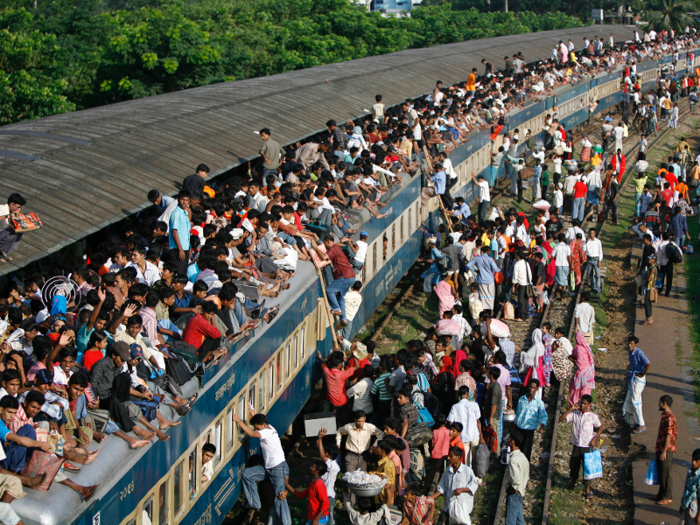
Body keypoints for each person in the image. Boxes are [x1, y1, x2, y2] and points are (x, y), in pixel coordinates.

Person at [237, 413, 292, 525]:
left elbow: (252, 434)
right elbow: (259, 420)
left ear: (264, 425)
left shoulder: (266, 432)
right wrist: (252, 412)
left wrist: (239, 421)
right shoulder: (270, 427)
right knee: (247, 474)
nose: (257, 430)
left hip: (277, 468)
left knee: (280, 497)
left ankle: (286, 523)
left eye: (257, 428)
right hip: (268, 468)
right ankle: (255, 504)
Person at [559, 395, 603, 500]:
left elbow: (600, 428)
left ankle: (587, 489)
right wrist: (570, 409)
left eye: (585, 404)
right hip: (577, 444)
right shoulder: (575, 415)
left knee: (587, 468)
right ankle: (573, 482)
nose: (582, 405)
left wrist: (594, 439)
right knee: (574, 465)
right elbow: (562, 418)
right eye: (581, 403)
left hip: (587, 446)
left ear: (589, 405)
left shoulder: (592, 416)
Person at [430, 447, 478, 525]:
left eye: (451, 456)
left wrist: (462, 490)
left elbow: (474, 485)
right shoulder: (448, 471)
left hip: (462, 506)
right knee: (441, 521)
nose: (448, 458)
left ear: (458, 457)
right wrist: (432, 497)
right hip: (449, 504)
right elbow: (442, 487)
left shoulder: (467, 471)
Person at [323, 236, 356, 327]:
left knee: (329, 290)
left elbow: (323, 257)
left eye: (325, 244)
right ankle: (343, 319)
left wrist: (314, 247)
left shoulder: (333, 249)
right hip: (351, 276)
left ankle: (336, 308)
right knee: (340, 297)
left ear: (329, 242)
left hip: (344, 276)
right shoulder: (337, 248)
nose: (325, 247)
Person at [285, 460, 330, 525]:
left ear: (316, 471)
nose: (310, 467)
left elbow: (325, 503)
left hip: (319, 518)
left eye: (313, 467)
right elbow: (300, 495)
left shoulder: (318, 484)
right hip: (312, 517)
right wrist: (287, 485)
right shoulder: (313, 483)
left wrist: (316, 520)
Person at [447, 386, 483, 465]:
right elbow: (478, 422)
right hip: (474, 435)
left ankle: (465, 475)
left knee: (464, 460)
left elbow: (450, 422)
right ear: (467, 394)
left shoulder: (454, 407)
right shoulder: (474, 405)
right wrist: (481, 437)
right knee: (476, 459)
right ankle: (477, 476)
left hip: (462, 437)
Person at [513, 379, 547, 460]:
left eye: (533, 388)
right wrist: (514, 425)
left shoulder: (539, 402)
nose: (531, 389)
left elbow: (543, 416)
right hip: (519, 428)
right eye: (530, 387)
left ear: (537, 389)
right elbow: (517, 413)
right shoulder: (521, 399)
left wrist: (542, 426)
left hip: (529, 430)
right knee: (516, 450)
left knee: (526, 451)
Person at [624, 336, 650, 434]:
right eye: (629, 343)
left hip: (638, 378)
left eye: (632, 344)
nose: (630, 345)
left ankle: (642, 425)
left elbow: (648, 363)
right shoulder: (631, 353)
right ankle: (636, 422)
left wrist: (643, 373)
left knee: (636, 402)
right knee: (633, 400)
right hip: (633, 378)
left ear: (636, 344)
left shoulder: (639, 352)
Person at [654, 395, 677, 505]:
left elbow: (669, 435)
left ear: (665, 404)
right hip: (661, 447)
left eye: (660, 402)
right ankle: (661, 494)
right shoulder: (665, 416)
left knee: (666, 473)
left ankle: (667, 496)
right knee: (661, 472)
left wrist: (664, 451)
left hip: (666, 449)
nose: (659, 404)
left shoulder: (670, 418)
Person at [504, 431, 529, 525]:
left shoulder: (513, 460)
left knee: (510, 522)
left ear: (513, 442)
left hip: (515, 493)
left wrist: (512, 489)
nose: (508, 440)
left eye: (509, 438)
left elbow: (515, 480)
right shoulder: (522, 457)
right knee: (519, 521)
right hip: (521, 492)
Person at [568, 332, 595, 407]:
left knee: (574, 391)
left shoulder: (579, 348)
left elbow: (580, 363)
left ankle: (573, 407)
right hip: (589, 374)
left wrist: (572, 359)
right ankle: (586, 408)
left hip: (581, 373)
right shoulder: (587, 346)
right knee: (586, 392)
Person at [0, 193, 27, 263]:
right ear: (11, 204)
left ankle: (4, 252)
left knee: (18, 229)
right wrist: (7, 216)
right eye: (18, 207)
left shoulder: (11, 213)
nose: (19, 209)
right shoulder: (1, 209)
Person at [679, 448, 700, 523]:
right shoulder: (690, 471)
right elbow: (686, 488)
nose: (694, 462)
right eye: (693, 460)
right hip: (686, 504)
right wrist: (682, 503)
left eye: (696, 461)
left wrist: (699, 516)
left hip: (694, 509)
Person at [583, 228, 603, 293]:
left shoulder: (598, 241)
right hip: (589, 259)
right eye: (590, 233)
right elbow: (583, 249)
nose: (591, 234)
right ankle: (592, 286)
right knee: (590, 274)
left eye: (592, 233)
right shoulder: (587, 241)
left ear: (595, 234)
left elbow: (600, 251)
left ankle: (598, 288)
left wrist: (600, 260)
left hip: (596, 259)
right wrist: (585, 242)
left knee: (597, 274)